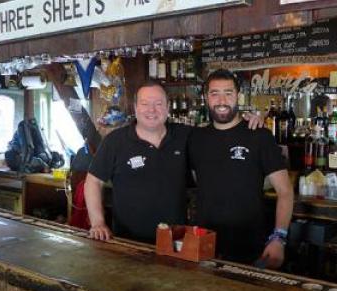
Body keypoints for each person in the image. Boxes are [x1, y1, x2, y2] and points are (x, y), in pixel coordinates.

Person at [84, 80, 264, 244]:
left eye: (158, 104)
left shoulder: (185, 136)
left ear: (168, 107)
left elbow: (221, 131)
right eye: (145, 104)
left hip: (175, 242)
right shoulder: (115, 141)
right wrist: (98, 223)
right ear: (135, 107)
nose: (152, 110)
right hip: (128, 241)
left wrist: (247, 121)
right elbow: (93, 181)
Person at [188, 69, 294, 269]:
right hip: (204, 245)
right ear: (206, 98)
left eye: (228, 93)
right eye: (214, 93)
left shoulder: (258, 136)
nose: (221, 100)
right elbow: (198, 180)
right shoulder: (195, 138)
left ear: (238, 96)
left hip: (251, 248)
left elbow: (285, 191)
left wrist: (278, 238)